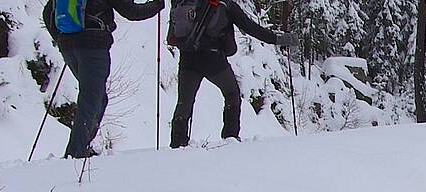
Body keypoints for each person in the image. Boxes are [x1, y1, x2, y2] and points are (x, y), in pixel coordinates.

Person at [42, 0, 163, 159]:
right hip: (93, 45)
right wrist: (157, 5)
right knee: (91, 100)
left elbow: (47, 12)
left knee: (96, 99)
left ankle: (80, 148)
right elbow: (132, 11)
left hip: (68, 45)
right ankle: (75, 154)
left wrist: (61, 37)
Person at [168, 0, 278, 149]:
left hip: (187, 59)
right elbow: (250, 27)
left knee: (184, 102)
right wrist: (276, 39)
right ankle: (230, 137)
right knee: (232, 93)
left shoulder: (182, 1)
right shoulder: (225, 4)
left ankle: (178, 143)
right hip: (213, 59)